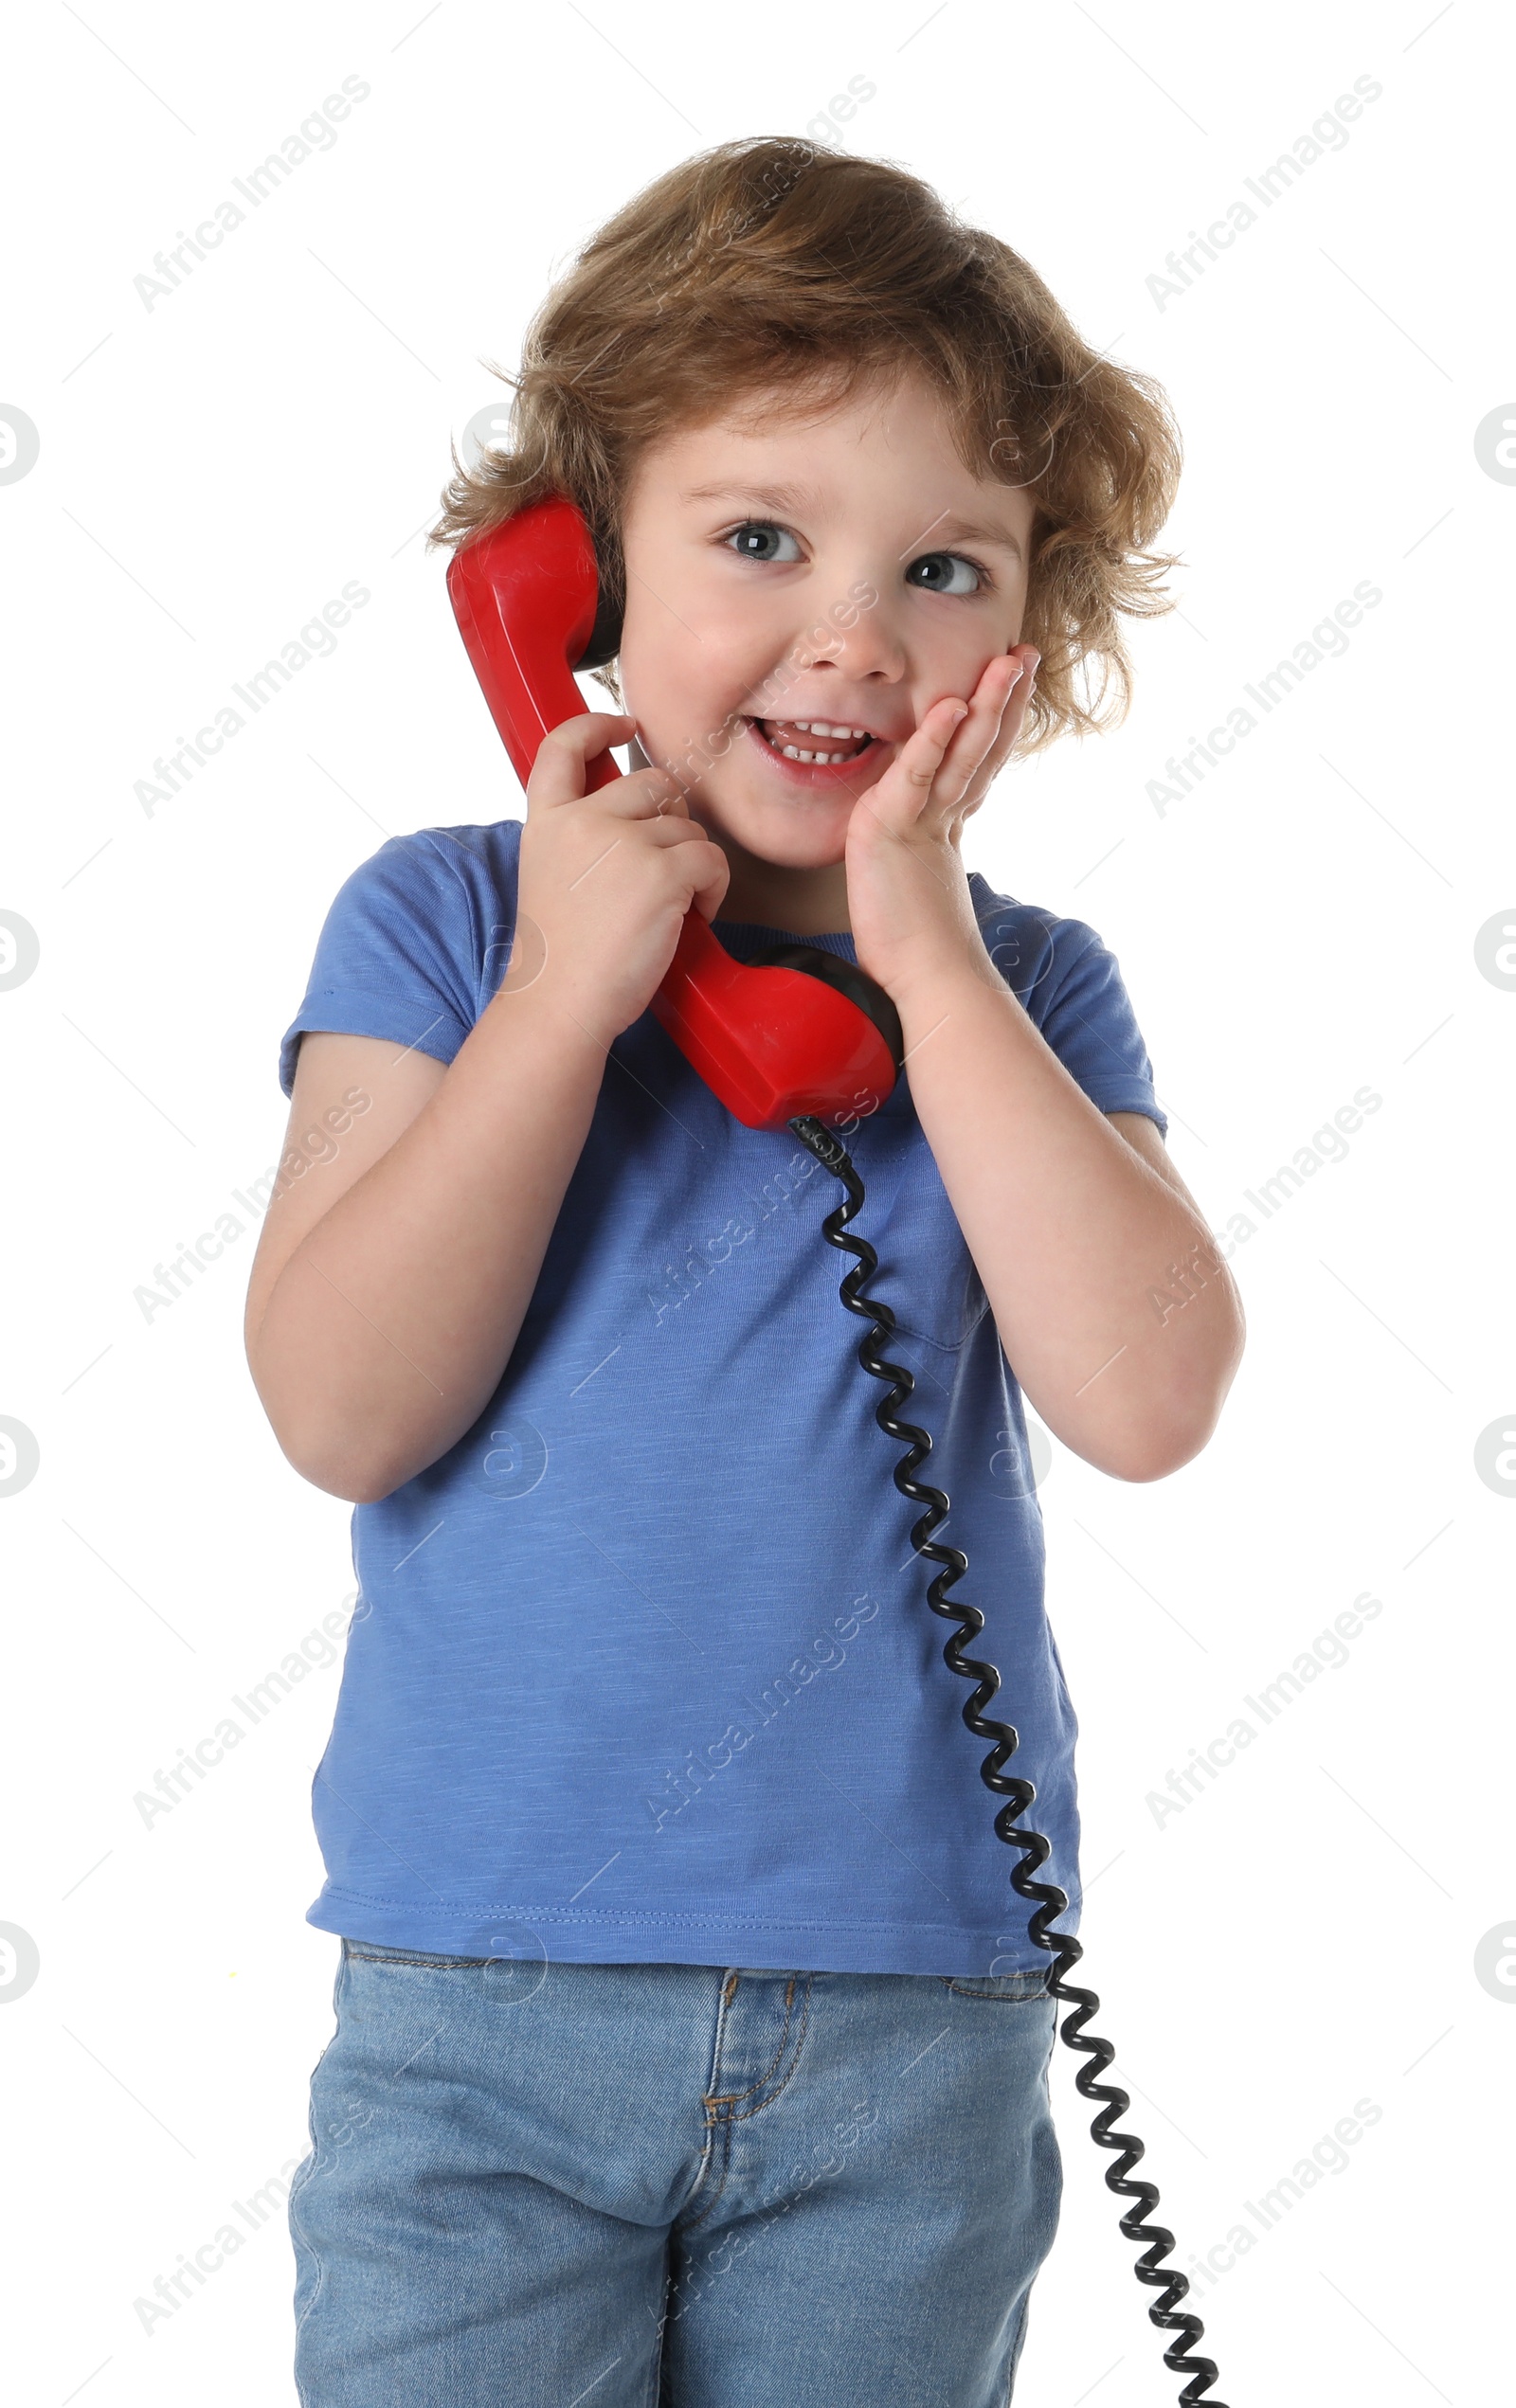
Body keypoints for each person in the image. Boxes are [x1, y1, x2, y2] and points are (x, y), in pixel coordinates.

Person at [244, 134, 1244, 2408]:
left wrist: (922, 949)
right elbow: (339, 1405)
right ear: (573, 572)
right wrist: (560, 1000)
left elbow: (1148, 1394)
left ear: (1026, 641)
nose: (851, 633)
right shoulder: (440, 926)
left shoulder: (1032, 992)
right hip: (485, 2008)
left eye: (943, 567)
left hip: (910, 2018)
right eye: (759, 539)